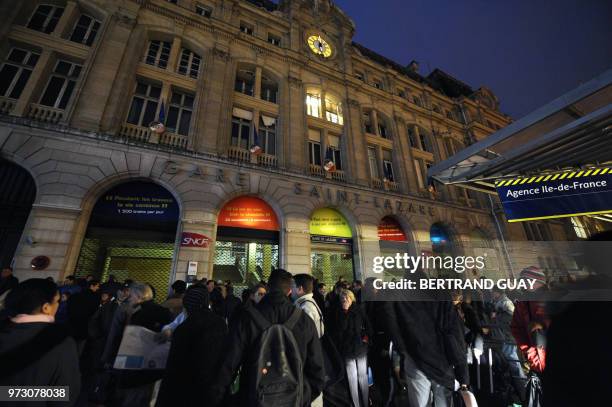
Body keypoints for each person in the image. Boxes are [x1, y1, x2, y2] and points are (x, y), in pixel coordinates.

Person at [211, 268, 325, 407]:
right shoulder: (304, 320)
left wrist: (224, 397)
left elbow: (228, 365)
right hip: (294, 399)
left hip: (253, 400)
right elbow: (317, 372)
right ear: (289, 291)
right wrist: (302, 397)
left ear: (268, 288)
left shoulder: (247, 318)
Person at [385, 271, 468, 407]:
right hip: (442, 362)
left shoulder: (401, 299)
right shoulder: (441, 296)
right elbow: (455, 335)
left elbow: (393, 328)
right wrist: (462, 373)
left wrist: (403, 350)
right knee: (443, 401)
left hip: (416, 359)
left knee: (420, 403)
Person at [0, 279, 81, 405]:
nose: (59, 305)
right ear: (46, 307)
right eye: (57, 301)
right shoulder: (60, 341)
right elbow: (65, 393)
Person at [156, 285, 228, 407]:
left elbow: (174, 368)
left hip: (187, 390)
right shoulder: (220, 323)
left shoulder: (185, 328)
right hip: (212, 389)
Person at [115, 282, 173, 407]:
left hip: (137, 370)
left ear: (140, 297)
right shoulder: (163, 311)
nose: (129, 299)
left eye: (131, 296)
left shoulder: (141, 313)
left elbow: (134, 345)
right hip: (155, 368)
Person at [327, 288, 371, 407]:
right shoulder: (337, 312)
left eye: (347, 297)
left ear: (352, 298)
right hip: (346, 349)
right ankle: (356, 403)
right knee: (352, 377)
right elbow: (337, 331)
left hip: (360, 347)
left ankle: (366, 402)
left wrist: (366, 339)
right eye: (342, 298)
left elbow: (367, 326)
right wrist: (344, 313)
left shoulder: (359, 310)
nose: (344, 300)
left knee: (362, 376)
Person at [67, 279, 101, 355]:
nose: (98, 288)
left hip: (71, 325)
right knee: (79, 349)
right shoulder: (95, 298)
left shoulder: (75, 296)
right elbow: (94, 313)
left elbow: (68, 309)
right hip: (84, 326)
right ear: (91, 286)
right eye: (97, 286)